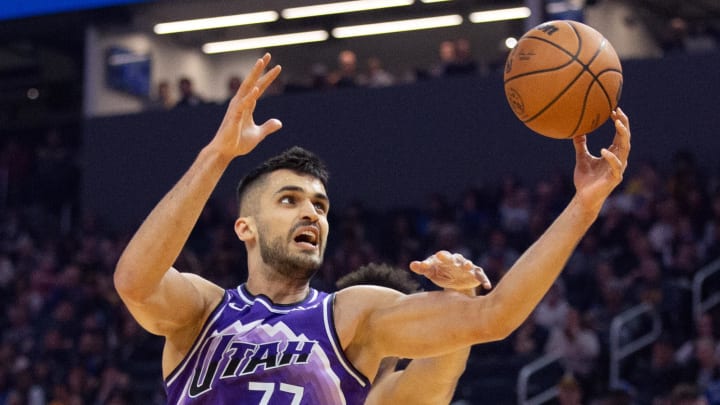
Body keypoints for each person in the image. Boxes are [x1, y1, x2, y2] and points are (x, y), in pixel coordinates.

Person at [113, 53, 631, 404]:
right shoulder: (201, 312)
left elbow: (494, 316)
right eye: (289, 200)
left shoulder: (351, 317)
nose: (311, 212)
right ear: (244, 227)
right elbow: (135, 281)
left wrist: (583, 207)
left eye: (320, 204)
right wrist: (217, 154)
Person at [335, 262, 490, 405]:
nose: (367, 332)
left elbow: (440, 373)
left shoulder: (392, 396)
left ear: (408, 339)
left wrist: (461, 292)